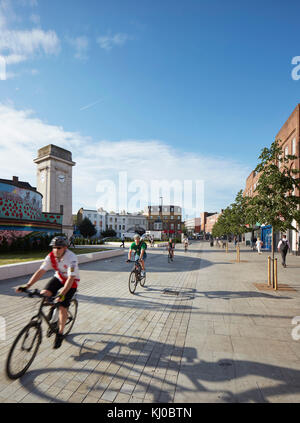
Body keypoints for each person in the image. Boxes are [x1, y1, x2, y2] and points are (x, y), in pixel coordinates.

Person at [16, 236, 80, 349]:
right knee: (45, 293)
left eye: (58, 247)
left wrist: (62, 294)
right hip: (59, 278)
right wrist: (27, 285)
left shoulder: (71, 257)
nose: (55, 250)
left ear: (65, 248)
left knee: (62, 307)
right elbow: (41, 271)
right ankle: (53, 315)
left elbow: (70, 279)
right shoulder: (51, 256)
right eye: (53, 247)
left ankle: (60, 333)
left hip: (71, 282)